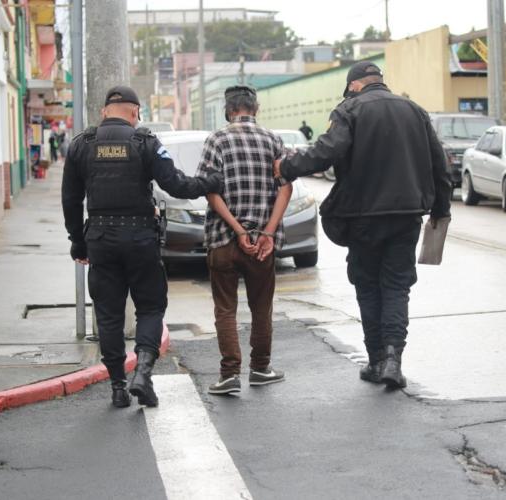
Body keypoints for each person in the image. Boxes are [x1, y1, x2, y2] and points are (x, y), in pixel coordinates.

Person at [273, 61, 451, 389]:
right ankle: (394, 360)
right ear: (379, 82)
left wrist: (287, 166)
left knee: (368, 287)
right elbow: (439, 166)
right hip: (406, 216)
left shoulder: (350, 110)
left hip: (362, 218)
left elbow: (327, 151)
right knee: (397, 288)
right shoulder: (415, 111)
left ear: (354, 85)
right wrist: (441, 211)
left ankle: (376, 361)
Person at [62, 86, 223, 408]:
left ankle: (118, 387)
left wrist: (78, 242)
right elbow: (175, 184)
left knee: (108, 315)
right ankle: (143, 374)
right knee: (150, 307)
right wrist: (211, 182)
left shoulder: (81, 144)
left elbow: (70, 199)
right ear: (135, 113)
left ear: (105, 111)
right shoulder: (145, 142)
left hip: (100, 240)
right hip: (140, 237)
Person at [197, 86, 292, 395]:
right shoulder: (273, 140)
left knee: (225, 309)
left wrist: (238, 229)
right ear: (256, 108)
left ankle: (229, 375)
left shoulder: (217, 139)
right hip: (262, 244)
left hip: (224, 239)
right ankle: (261, 368)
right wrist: (266, 232)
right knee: (261, 308)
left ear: (229, 110)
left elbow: (210, 191)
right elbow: (285, 188)